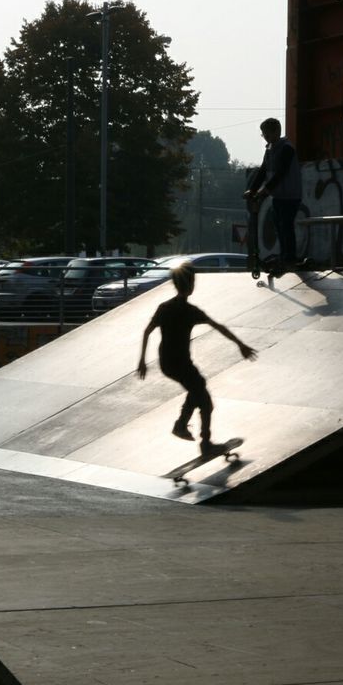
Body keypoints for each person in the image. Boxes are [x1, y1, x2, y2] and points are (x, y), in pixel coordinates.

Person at [137, 262, 257, 451]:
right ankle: (198, 437)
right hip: (181, 363)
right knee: (203, 397)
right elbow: (219, 327)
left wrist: (142, 361)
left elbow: (147, 332)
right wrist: (240, 344)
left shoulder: (164, 307)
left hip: (167, 363)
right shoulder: (190, 311)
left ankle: (187, 428)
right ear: (190, 284)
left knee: (199, 393)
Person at [244, 117, 302, 271]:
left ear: (277, 131)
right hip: (278, 196)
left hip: (291, 195)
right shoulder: (269, 150)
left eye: (267, 134)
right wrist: (253, 189)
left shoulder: (286, 148)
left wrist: (266, 189)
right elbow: (263, 171)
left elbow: (281, 173)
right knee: (279, 226)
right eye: (263, 135)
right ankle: (284, 256)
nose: (265, 137)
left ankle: (290, 258)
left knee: (286, 226)